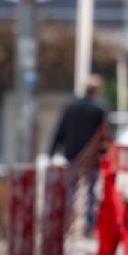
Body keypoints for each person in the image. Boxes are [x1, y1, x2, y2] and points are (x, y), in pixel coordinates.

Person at [50, 75, 108, 235]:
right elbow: (104, 134)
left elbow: (60, 130)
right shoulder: (99, 108)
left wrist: (52, 151)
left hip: (72, 154)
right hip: (92, 156)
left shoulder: (70, 106)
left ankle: (67, 224)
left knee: (71, 191)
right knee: (91, 191)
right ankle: (89, 226)